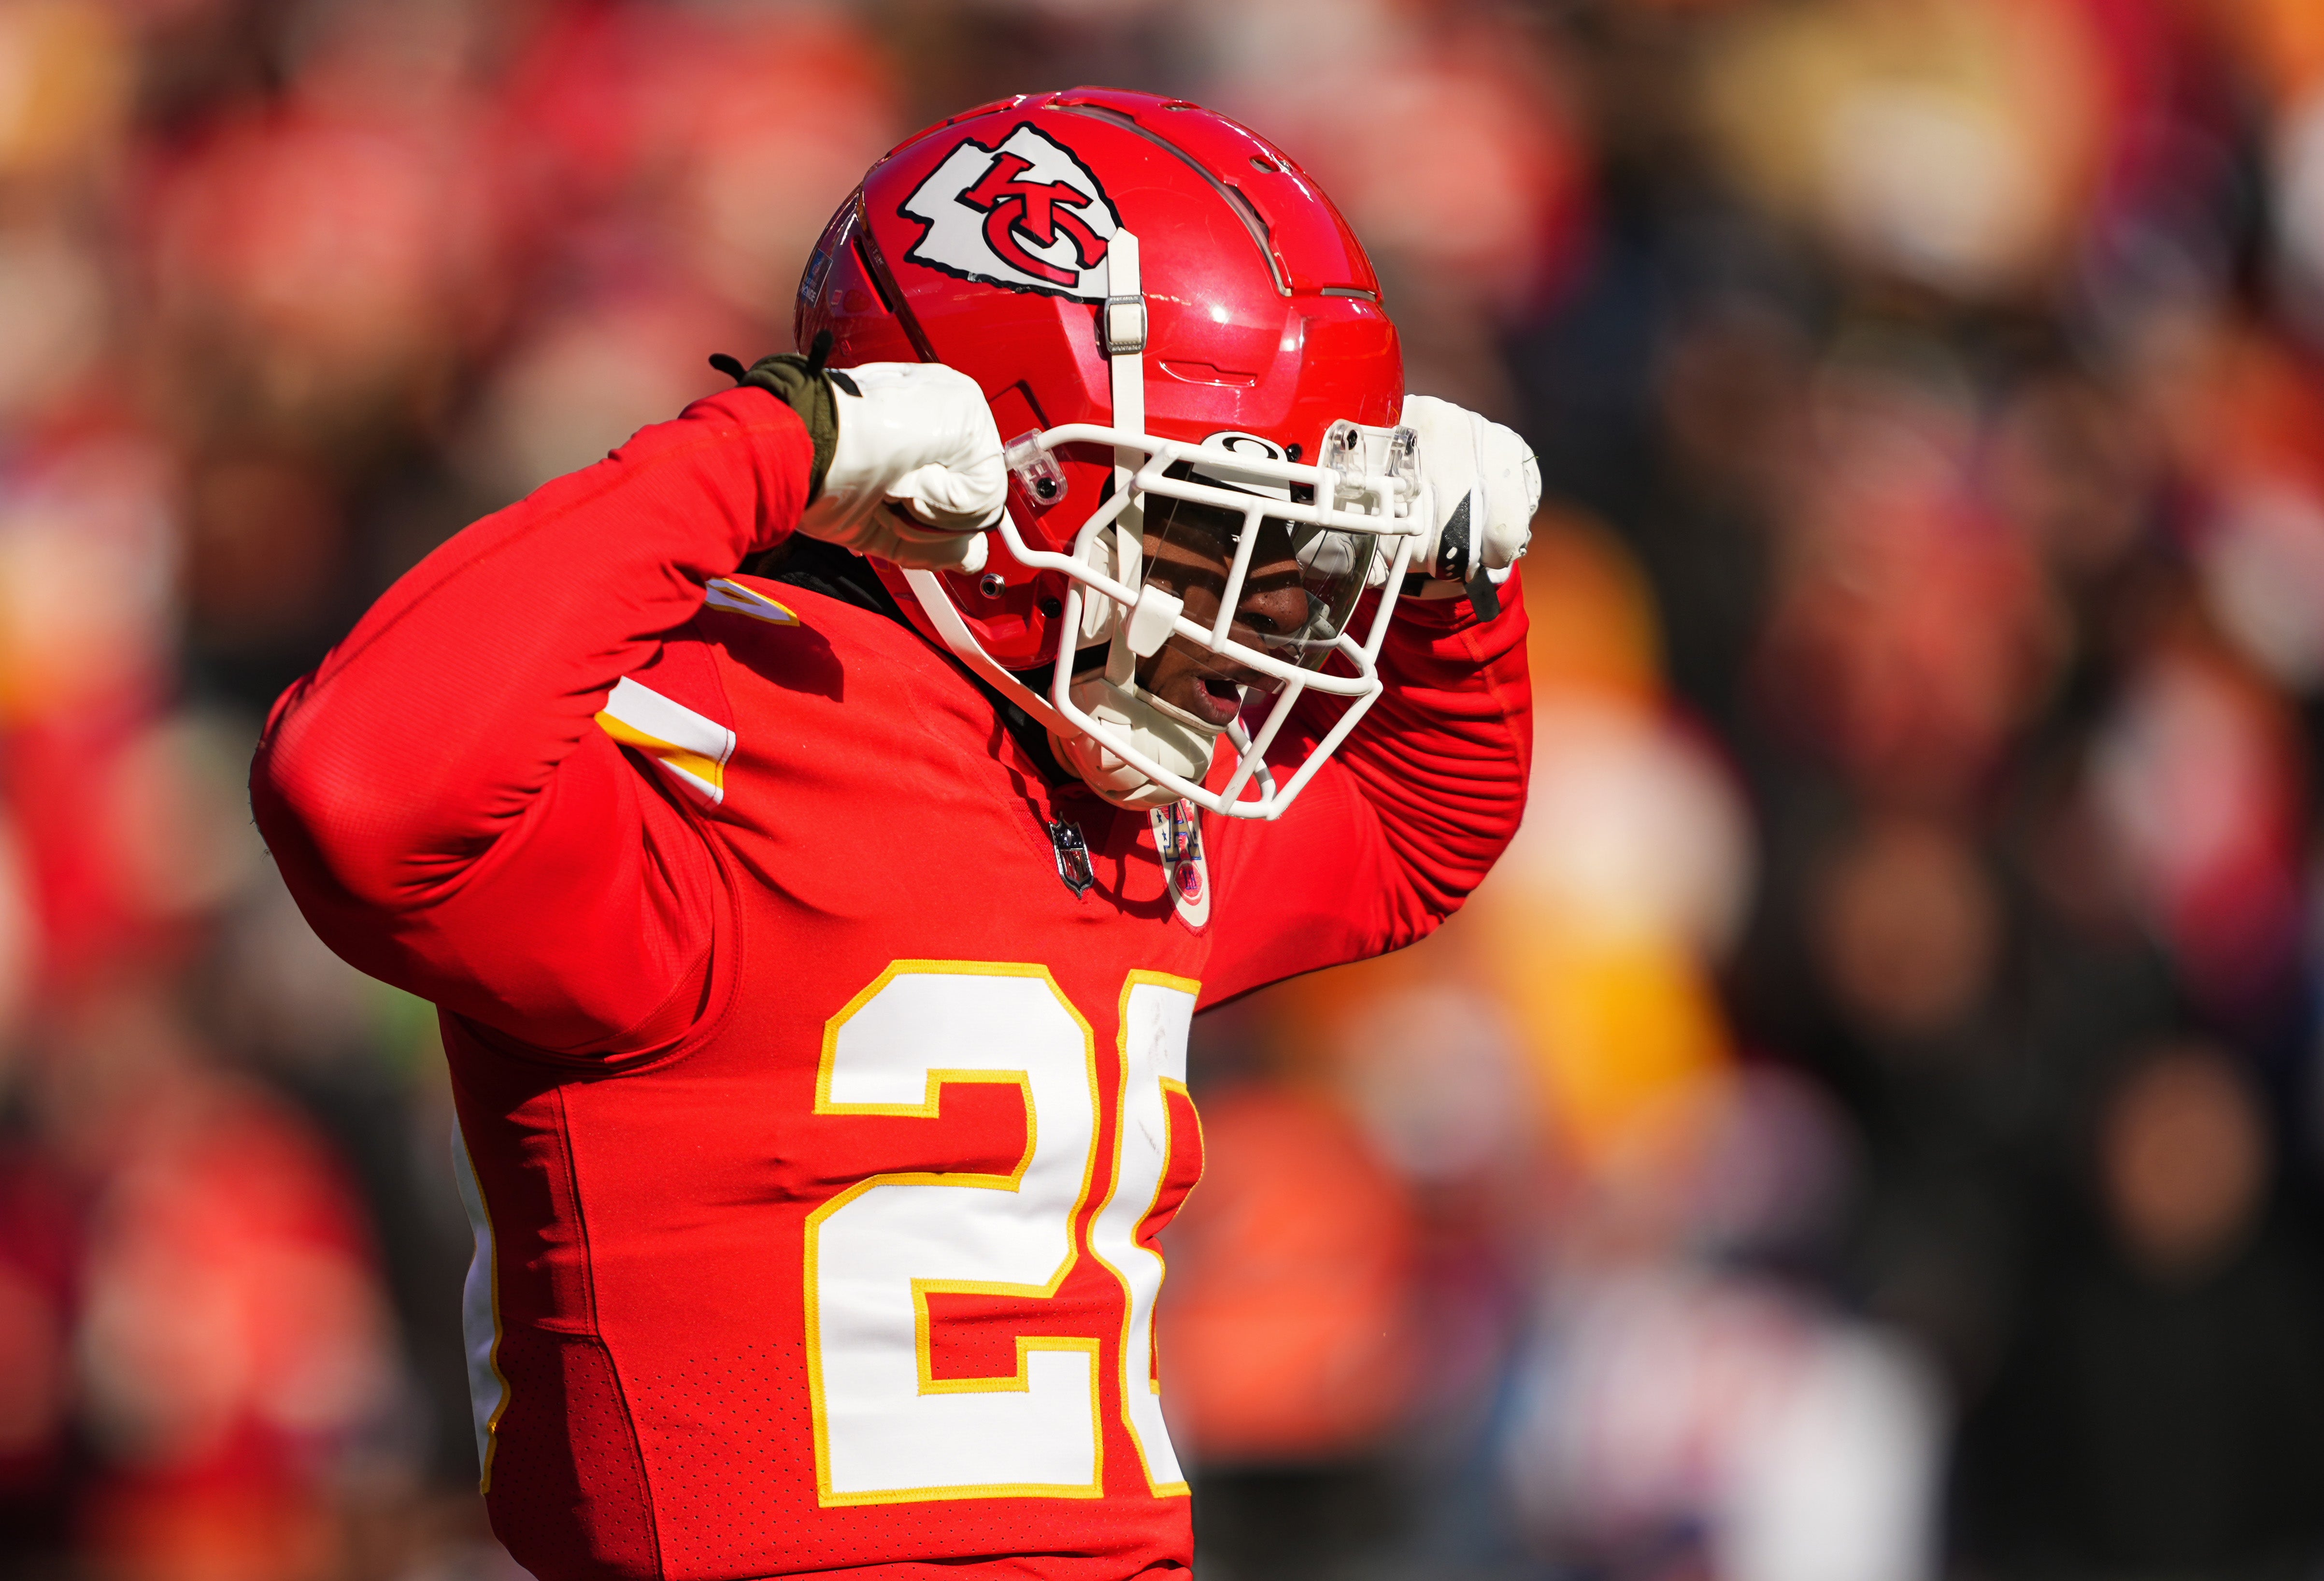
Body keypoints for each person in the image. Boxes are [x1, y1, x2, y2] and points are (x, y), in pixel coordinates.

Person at [250, 88, 1537, 1581]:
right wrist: (759, 448)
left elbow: (1410, 829)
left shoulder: (1093, 776)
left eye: (1287, 544)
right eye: (1197, 532)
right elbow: (358, 793)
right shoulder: (718, 727)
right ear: (993, 461)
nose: (1244, 617)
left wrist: (1464, 605)